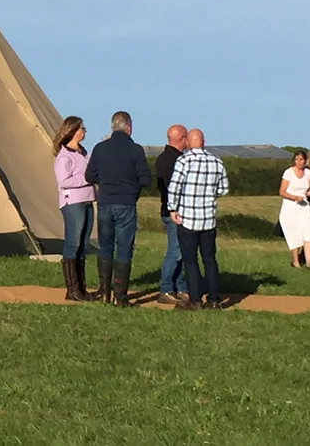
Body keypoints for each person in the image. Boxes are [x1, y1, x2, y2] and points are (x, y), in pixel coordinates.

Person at [85, 111, 151, 307]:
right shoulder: (135, 150)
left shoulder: (100, 148)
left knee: (105, 247)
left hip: (105, 203)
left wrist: (106, 181)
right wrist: (131, 185)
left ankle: (104, 293)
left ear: (112, 127)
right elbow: (146, 178)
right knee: (124, 249)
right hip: (126, 204)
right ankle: (120, 297)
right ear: (129, 128)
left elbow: (90, 176)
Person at [167, 129, 229, 310]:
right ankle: (214, 299)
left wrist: (173, 208)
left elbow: (174, 187)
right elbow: (224, 188)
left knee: (190, 259)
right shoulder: (217, 161)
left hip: (188, 219)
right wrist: (209, 195)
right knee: (210, 259)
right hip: (208, 219)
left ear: (188, 142)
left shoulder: (184, 160)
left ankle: (195, 299)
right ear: (204, 141)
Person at [52, 116, 95, 301]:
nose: (84, 131)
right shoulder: (64, 156)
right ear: (73, 131)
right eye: (82, 128)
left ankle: (81, 288)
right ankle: (72, 289)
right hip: (73, 202)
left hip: (87, 200)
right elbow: (64, 181)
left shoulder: (83, 153)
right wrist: (87, 179)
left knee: (83, 245)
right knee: (73, 242)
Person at [154, 124, 190, 304]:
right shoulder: (176, 160)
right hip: (175, 212)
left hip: (168, 210)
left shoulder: (162, 158)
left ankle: (180, 286)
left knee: (181, 250)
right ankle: (166, 288)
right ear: (181, 139)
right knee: (175, 251)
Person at [278, 149, 310, 268]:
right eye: (297, 159)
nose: (299, 162)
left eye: (301, 160)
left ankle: (309, 263)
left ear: (305, 161)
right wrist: (294, 197)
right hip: (290, 206)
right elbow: (282, 192)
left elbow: (307, 188)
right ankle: (296, 261)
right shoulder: (289, 173)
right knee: (294, 233)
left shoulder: (308, 173)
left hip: (304, 206)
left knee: (308, 232)